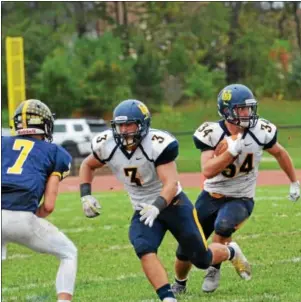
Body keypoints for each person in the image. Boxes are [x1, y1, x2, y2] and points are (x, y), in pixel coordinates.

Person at [78, 99, 250, 302]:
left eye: (129, 124)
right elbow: (87, 165)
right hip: (143, 208)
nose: (124, 130)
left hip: (174, 205)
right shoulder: (106, 144)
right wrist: (86, 194)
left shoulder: (157, 144)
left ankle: (231, 251)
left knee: (201, 259)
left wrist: (157, 206)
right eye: (120, 125)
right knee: (143, 246)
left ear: (142, 125)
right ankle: (168, 298)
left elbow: (170, 183)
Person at [172, 84, 301, 294]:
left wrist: (293, 181)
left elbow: (280, 153)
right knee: (186, 248)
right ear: (226, 111)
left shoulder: (260, 130)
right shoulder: (212, 133)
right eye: (241, 109)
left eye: (249, 108)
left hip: (240, 197)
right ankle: (180, 283)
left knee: (223, 226)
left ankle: (213, 269)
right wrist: (229, 152)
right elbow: (207, 170)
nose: (247, 113)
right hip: (210, 195)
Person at [1, 99, 77, 302]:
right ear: (45, 124)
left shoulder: (2, 143)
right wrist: (29, 218)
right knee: (68, 253)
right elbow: (49, 205)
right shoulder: (55, 152)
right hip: (20, 215)